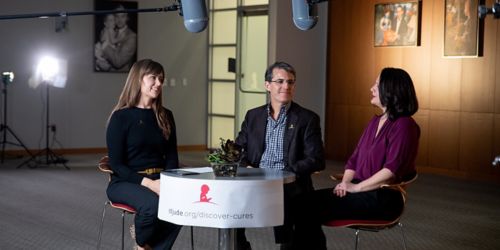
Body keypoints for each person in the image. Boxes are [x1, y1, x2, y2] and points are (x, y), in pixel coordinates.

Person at [292, 67, 420, 250]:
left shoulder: (405, 125)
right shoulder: (376, 121)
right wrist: (345, 183)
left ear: (390, 89)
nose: (371, 88)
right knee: (300, 202)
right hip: (360, 190)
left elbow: (391, 171)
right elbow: (354, 159)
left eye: (377, 84)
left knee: (306, 208)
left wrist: (356, 188)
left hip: (382, 198)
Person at [235, 61, 325, 250]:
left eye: (290, 82)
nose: (286, 86)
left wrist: (284, 174)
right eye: (280, 81)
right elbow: (237, 150)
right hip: (255, 183)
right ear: (267, 85)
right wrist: (249, 168)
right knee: (228, 214)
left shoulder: (307, 119)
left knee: (298, 232)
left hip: (290, 185)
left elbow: (316, 159)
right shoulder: (253, 116)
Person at [106, 59, 181, 250]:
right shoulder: (120, 117)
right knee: (153, 205)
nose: (158, 83)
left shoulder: (166, 115)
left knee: (182, 207)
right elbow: (117, 165)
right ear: (138, 80)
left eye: (161, 79)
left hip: (159, 178)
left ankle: (143, 244)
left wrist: (168, 181)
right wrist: (150, 184)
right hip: (126, 182)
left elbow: (172, 156)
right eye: (153, 78)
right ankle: (142, 242)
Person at [96, 5, 137, 72]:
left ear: (127, 17)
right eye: (117, 16)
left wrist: (104, 45)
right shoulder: (112, 30)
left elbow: (118, 62)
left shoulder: (131, 36)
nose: (119, 20)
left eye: (122, 16)